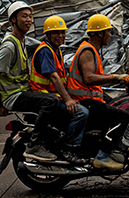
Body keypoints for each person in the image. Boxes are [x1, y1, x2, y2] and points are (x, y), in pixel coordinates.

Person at [0, 1, 59, 162]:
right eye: (24, 16)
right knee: (51, 102)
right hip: (13, 96)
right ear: (13, 19)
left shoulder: (21, 41)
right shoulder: (9, 45)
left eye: (30, 16)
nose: (29, 20)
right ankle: (35, 145)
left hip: (22, 92)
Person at [66, 13, 129, 171]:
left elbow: (96, 76)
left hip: (90, 99)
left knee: (117, 106)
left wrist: (119, 79)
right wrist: (117, 76)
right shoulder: (88, 51)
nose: (110, 35)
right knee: (123, 117)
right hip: (85, 101)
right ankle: (103, 156)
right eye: (108, 32)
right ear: (98, 33)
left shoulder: (93, 50)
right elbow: (89, 78)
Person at [30, 15, 89, 164]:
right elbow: (54, 77)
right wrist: (68, 99)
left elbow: (63, 77)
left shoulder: (56, 51)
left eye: (63, 32)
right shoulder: (45, 51)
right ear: (47, 34)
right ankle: (69, 149)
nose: (61, 36)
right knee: (81, 113)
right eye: (56, 32)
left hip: (55, 97)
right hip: (46, 98)